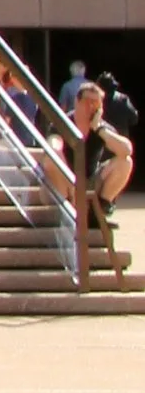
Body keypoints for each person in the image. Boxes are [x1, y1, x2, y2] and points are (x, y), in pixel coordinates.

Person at [51, 79, 134, 280]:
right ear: (77, 102)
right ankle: (70, 212)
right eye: (89, 101)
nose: (92, 106)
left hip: (90, 182)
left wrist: (99, 129)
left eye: (97, 103)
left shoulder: (101, 127)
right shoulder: (64, 122)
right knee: (53, 162)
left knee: (125, 162)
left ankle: (101, 207)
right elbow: (54, 146)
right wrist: (71, 182)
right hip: (67, 182)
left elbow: (126, 150)